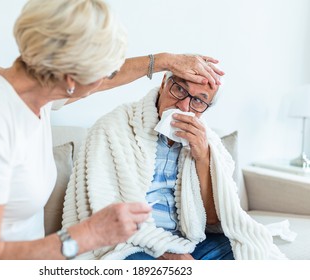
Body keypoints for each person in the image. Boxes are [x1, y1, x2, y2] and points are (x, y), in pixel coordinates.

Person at [0, 0, 224, 260]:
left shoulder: (36, 96)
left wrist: (164, 61)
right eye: (105, 71)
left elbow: (97, 82)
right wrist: (88, 234)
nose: (108, 79)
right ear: (70, 78)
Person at [61, 71, 288, 260]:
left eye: (198, 100)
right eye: (179, 89)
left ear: (205, 108)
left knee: (247, 251)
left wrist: (203, 157)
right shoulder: (114, 128)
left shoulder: (209, 143)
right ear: (163, 83)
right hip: (132, 244)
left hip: (189, 242)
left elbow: (213, 221)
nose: (183, 105)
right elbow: (105, 211)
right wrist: (166, 251)